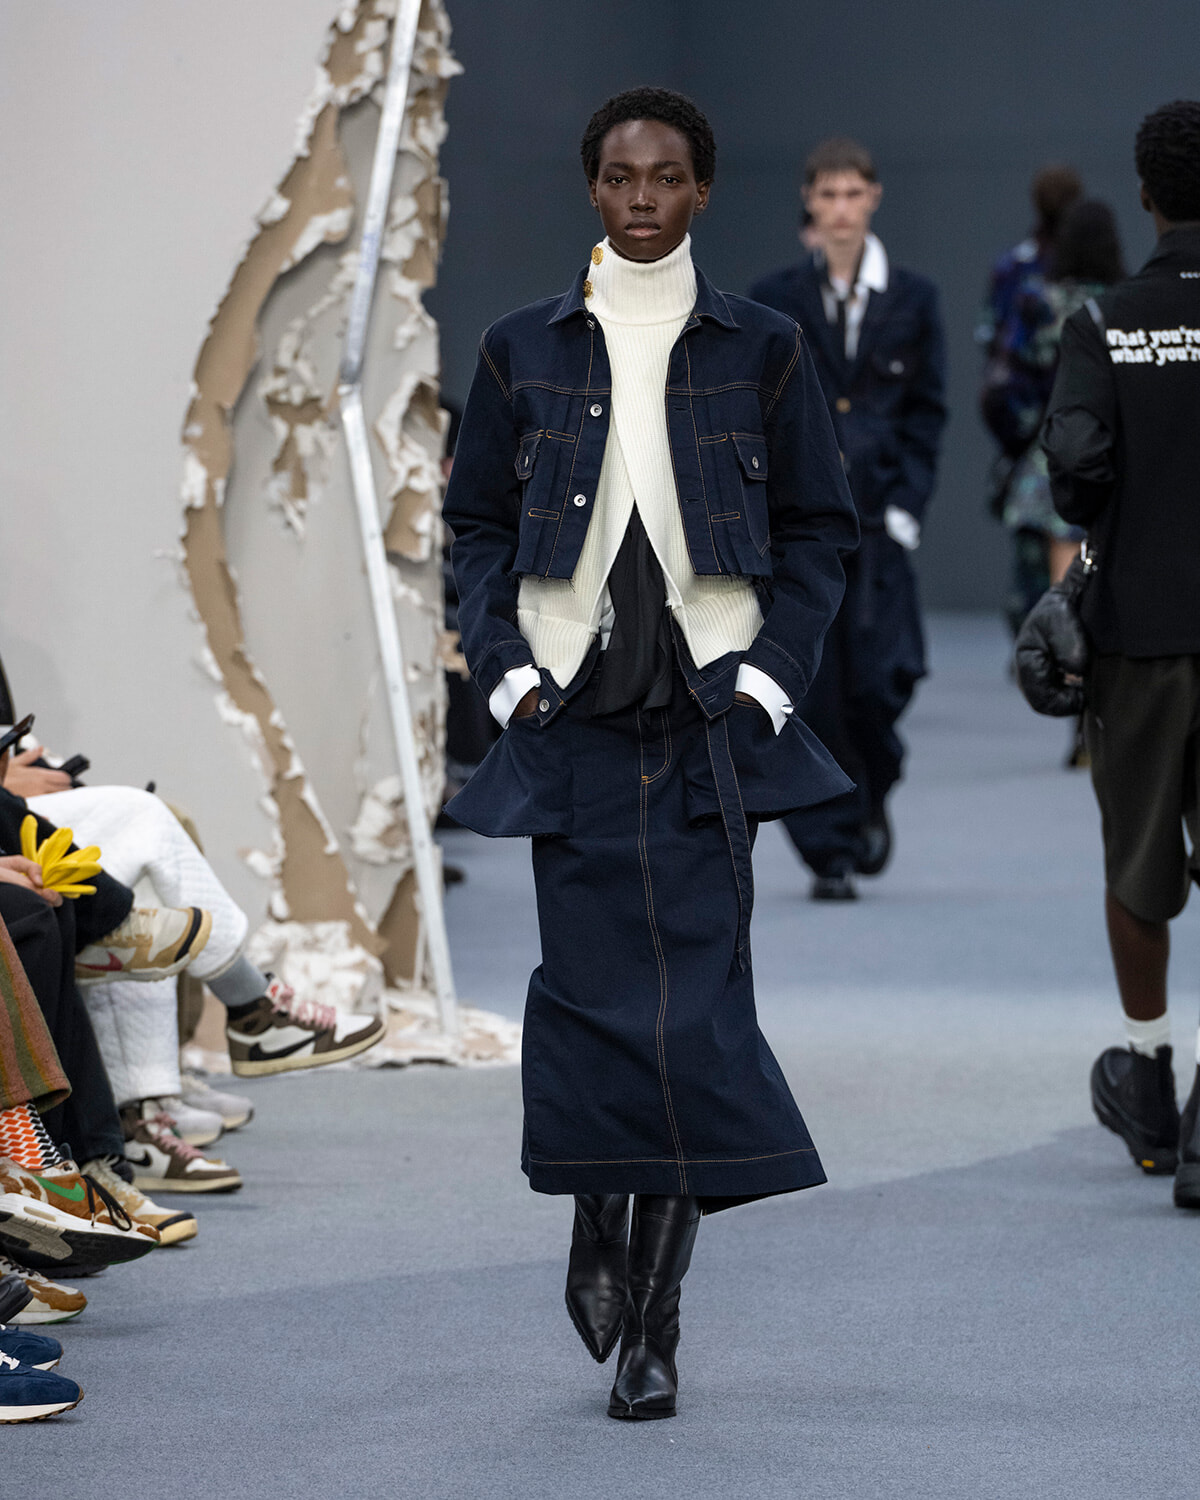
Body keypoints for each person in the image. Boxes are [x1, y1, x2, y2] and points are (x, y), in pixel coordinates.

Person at [444, 87, 857, 1421]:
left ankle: (655, 1324)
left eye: (665, 176)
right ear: (592, 189)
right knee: (585, 1003)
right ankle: (600, 1219)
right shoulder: (520, 351)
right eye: (619, 174)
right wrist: (506, 679)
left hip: (707, 730)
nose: (640, 196)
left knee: (690, 1020)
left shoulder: (766, 349)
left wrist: (768, 691)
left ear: (701, 193)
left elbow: (819, 537)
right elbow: (473, 537)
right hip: (567, 723)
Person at [1040, 100, 1200, 1209]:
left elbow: (1075, 475)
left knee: (1139, 870)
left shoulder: (1104, 323)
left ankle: (1149, 1088)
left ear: (1146, 195)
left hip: (1139, 640)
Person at [749, 138, 947, 899]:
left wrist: (908, 505)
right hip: (803, 528)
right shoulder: (774, 296)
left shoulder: (914, 298)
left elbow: (927, 411)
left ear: (874, 199)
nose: (839, 210)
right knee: (817, 689)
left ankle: (871, 791)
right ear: (809, 204)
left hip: (883, 524)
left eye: (852, 194)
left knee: (882, 683)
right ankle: (831, 848)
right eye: (826, 196)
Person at [978, 164, 1084, 633]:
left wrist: (1014, 431)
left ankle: (1041, 640)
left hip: (1032, 435)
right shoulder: (1090, 275)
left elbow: (996, 354)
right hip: (1074, 432)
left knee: (1036, 549)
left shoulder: (1015, 269)